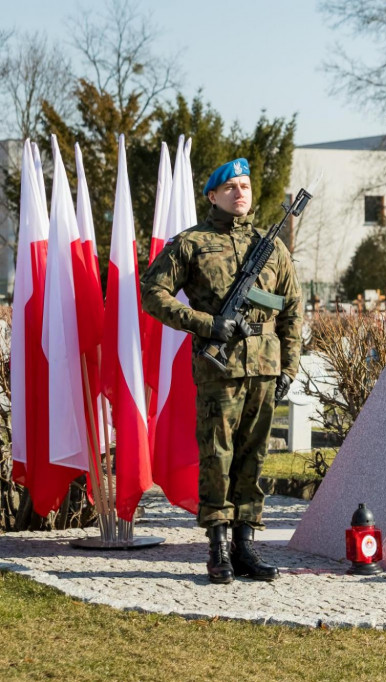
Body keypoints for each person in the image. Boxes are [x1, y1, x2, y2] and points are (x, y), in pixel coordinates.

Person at [141, 158, 302, 584]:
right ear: (212, 195)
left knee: (254, 456)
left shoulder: (272, 247)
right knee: (217, 456)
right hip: (220, 368)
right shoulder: (191, 243)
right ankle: (217, 549)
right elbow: (152, 293)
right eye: (230, 186)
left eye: (245, 185)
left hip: (265, 369)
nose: (240, 193)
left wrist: (290, 364)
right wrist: (207, 323)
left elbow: (291, 309)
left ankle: (245, 545)